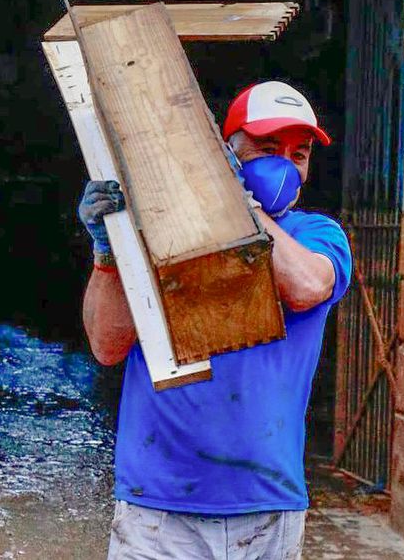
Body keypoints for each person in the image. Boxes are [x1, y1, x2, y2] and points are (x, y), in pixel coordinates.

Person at [78, 81, 352, 559]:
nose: (284, 164)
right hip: (158, 508)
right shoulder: (161, 233)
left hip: (266, 508)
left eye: (299, 153)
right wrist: (109, 254)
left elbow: (307, 287)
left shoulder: (313, 234)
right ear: (227, 152)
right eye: (267, 148)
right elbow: (106, 345)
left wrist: (241, 206)